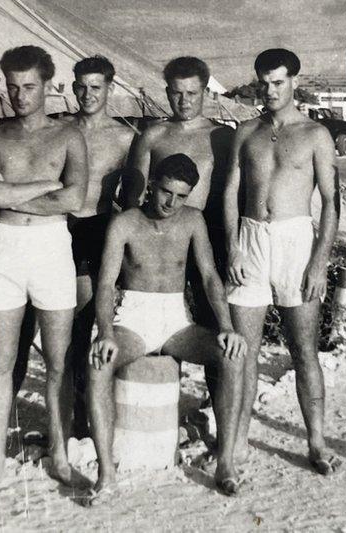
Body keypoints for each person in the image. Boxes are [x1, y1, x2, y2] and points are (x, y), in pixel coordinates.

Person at [84, 154, 247, 505]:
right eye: (165, 192)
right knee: (98, 363)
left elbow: (208, 277)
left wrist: (226, 327)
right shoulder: (125, 223)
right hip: (133, 318)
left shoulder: (192, 221)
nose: (171, 203)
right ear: (152, 185)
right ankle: (106, 474)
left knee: (231, 357)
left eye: (181, 196)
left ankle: (226, 463)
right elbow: (106, 284)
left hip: (175, 319)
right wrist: (105, 332)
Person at [0, 45, 89, 490]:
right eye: (13, 87)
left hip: (53, 248)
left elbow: (74, 200)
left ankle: (59, 456)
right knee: (1, 362)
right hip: (7, 249)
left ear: (49, 86)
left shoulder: (69, 136)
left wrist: (11, 190)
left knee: (58, 361)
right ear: (3, 85)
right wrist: (47, 184)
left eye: (30, 87)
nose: (20, 96)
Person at [224, 48, 340, 474]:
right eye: (263, 82)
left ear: (294, 80)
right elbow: (229, 193)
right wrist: (234, 246)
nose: (270, 90)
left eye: (278, 82)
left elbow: (331, 201)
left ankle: (317, 442)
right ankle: (236, 442)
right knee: (243, 352)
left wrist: (318, 261)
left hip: (296, 242)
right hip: (251, 239)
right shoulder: (245, 131)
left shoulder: (315, 134)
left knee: (303, 349)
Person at [125, 56, 234, 329]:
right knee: (158, 320)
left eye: (192, 93)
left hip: (205, 238)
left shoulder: (221, 137)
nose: (184, 101)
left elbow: (231, 196)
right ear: (167, 93)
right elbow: (133, 196)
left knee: (212, 320)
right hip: (158, 237)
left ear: (206, 92)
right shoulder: (153, 134)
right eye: (176, 93)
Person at [64, 55, 135, 436]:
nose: (87, 94)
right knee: (67, 323)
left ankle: (90, 408)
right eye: (81, 86)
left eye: (96, 87)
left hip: (100, 227)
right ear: (72, 86)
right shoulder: (60, 130)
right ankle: (74, 408)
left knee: (90, 319)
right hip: (62, 226)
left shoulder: (124, 138)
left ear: (110, 88)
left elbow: (136, 196)